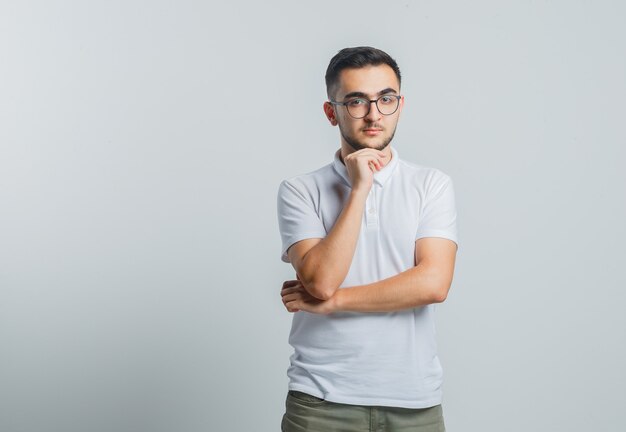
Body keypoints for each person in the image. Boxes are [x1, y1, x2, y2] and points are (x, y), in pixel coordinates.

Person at [277, 46, 458, 432]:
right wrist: (360, 189)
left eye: (385, 99)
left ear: (400, 104)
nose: (374, 114)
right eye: (357, 101)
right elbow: (321, 280)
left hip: (413, 401)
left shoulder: (431, 185)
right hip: (321, 400)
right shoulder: (300, 190)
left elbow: (434, 283)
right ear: (332, 112)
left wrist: (336, 302)